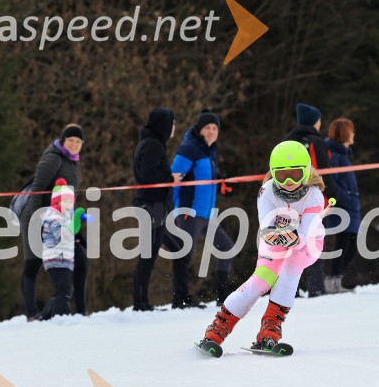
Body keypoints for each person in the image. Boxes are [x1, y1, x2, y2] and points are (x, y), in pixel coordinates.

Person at [197, 141, 326, 357]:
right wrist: (277, 235)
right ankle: (216, 330)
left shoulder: (314, 196)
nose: (289, 182)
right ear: (272, 173)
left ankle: (269, 333)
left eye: (295, 174)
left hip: (308, 242)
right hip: (274, 237)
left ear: (306, 171)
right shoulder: (267, 191)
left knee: (289, 270)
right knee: (261, 280)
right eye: (281, 175)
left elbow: (303, 236)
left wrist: (288, 237)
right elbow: (266, 226)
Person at [20, 124, 87, 320]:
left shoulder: (75, 162)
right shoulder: (53, 158)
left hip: (63, 218)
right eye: (71, 141)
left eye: (78, 141)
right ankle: (32, 313)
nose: (74, 145)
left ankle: (81, 310)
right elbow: (37, 190)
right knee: (33, 263)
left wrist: (75, 228)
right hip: (39, 216)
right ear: (63, 141)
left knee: (80, 259)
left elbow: (69, 197)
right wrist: (39, 222)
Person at [169, 110, 235, 307]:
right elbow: (173, 178)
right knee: (185, 255)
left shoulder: (210, 151)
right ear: (199, 129)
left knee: (226, 248)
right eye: (208, 128)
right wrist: (174, 208)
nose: (212, 131)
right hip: (190, 212)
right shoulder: (189, 149)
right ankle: (180, 298)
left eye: (215, 128)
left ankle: (223, 295)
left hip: (206, 213)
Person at [131, 107, 189, 311]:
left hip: (156, 206)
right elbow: (148, 175)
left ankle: (181, 298)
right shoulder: (152, 145)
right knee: (148, 254)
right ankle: (140, 303)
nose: (174, 127)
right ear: (163, 124)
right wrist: (170, 179)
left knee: (179, 246)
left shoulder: (153, 143)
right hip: (150, 206)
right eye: (172, 123)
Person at [282, 103, 337, 297]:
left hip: (287, 199)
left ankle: (291, 289)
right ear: (315, 121)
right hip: (313, 200)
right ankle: (316, 287)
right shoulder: (316, 141)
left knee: (290, 243)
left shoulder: (287, 141)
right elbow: (325, 172)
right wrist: (333, 196)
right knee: (313, 242)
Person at [323, 118, 360, 294]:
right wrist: (345, 198)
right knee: (342, 245)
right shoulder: (334, 154)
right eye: (351, 130)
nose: (353, 134)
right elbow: (332, 182)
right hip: (342, 207)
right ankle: (332, 282)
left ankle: (336, 278)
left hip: (352, 207)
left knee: (351, 247)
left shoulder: (344, 153)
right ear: (345, 133)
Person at [38, 179, 76, 319]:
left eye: (71, 202)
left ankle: (46, 316)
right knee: (65, 289)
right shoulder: (53, 217)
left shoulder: (64, 217)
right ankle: (59, 318)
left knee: (63, 289)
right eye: (65, 201)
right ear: (56, 202)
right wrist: (74, 224)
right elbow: (61, 235)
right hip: (56, 258)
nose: (69, 205)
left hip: (64, 259)